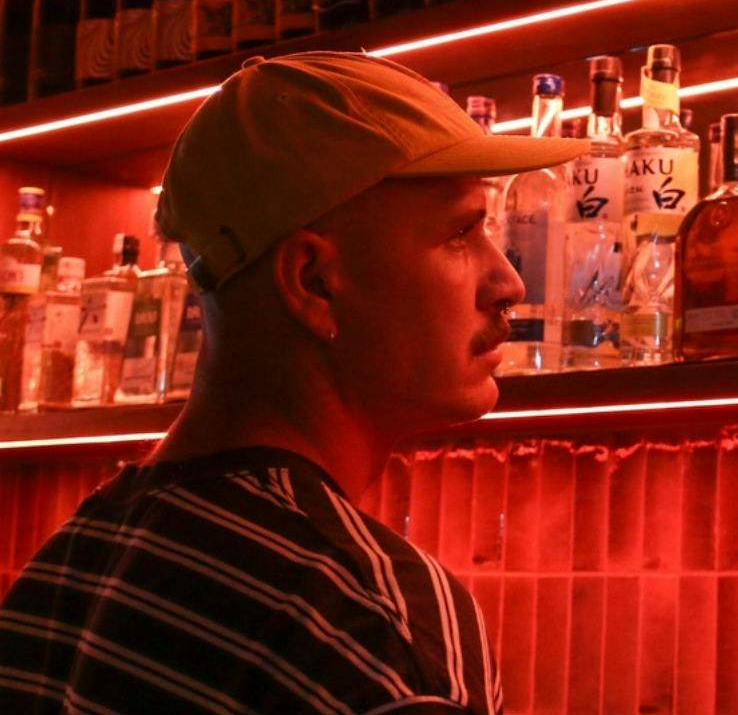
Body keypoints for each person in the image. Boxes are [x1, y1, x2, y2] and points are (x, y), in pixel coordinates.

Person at [0, 51, 586, 714]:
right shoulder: (368, 617)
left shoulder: (63, 569)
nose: (508, 282)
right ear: (312, 281)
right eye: (460, 233)